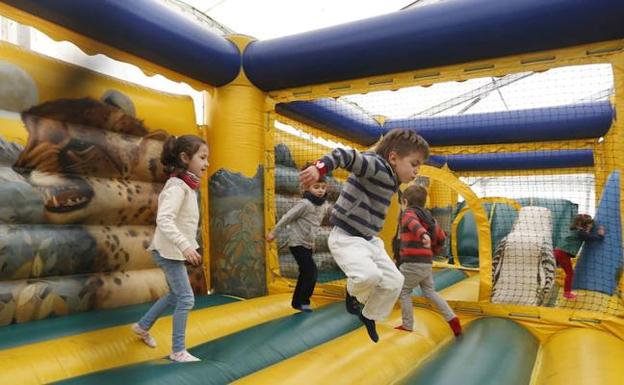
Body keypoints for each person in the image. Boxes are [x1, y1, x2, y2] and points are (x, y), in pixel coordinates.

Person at [300, 128, 429, 342]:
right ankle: (352, 292)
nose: (416, 171)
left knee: (395, 281)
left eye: (419, 166)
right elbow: (345, 155)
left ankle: (369, 315)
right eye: (414, 164)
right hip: (346, 237)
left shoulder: (392, 180)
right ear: (394, 158)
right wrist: (319, 168)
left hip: (370, 240)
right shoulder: (375, 166)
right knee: (369, 276)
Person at [131, 134, 209, 362]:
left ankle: (142, 327)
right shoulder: (177, 187)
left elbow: (183, 222)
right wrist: (185, 247)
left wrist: (188, 246)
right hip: (168, 251)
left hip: (171, 251)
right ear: (185, 158)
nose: (207, 163)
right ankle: (178, 350)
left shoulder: (187, 186)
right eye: (203, 158)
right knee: (186, 299)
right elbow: (164, 220)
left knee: (176, 295)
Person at [394, 185, 461, 337]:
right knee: (430, 292)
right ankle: (452, 319)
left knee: (403, 291)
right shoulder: (429, 217)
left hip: (412, 262)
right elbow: (442, 237)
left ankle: (407, 324)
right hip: (426, 262)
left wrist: (423, 234)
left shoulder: (408, 213)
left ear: (405, 202)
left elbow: (412, 223)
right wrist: (433, 250)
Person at [267, 165, 328, 312]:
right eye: (316, 187)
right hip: (297, 243)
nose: (320, 190)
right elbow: (287, 217)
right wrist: (273, 233)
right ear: (307, 188)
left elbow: (313, 226)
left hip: (307, 244)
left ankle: (297, 302)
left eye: (322, 187)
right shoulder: (305, 204)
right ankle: (302, 301)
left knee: (305, 272)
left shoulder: (323, 205)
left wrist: (312, 243)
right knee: (311, 272)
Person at [554, 213, 605, 300]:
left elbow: (585, 235)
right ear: (584, 225)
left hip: (558, 252)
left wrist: (588, 230)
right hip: (562, 253)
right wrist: (600, 235)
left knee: (558, 271)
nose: (590, 228)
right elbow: (590, 238)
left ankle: (566, 292)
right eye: (589, 226)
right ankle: (567, 293)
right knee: (570, 273)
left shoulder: (576, 230)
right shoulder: (580, 232)